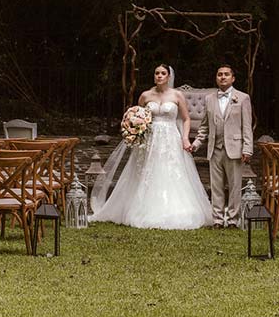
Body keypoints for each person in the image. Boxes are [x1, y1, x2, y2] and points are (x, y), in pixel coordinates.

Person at [91, 64, 212, 229]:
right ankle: (139, 208)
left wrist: (185, 138)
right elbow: (136, 115)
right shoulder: (145, 95)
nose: (159, 76)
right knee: (146, 170)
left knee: (170, 171)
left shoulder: (177, 95)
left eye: (163, 73)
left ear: (169, 76)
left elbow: (186, 119)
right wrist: (134, 130)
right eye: (157, 73)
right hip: (149, 139)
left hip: (170, 138)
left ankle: (174, 210)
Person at [191, 64, 254, 228]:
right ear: (216, 78)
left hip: (234, 148)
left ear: (233, 78)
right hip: (215, 148)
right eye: (220, 74)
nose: (223, 77)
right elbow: (204, 126)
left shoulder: (243, 98)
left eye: (226, 74)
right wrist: (197, 143)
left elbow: (247, 126)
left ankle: (233, 220)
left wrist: (247, 148)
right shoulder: (209, 99)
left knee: (234, 187)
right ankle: (218, 220)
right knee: (216, 186)